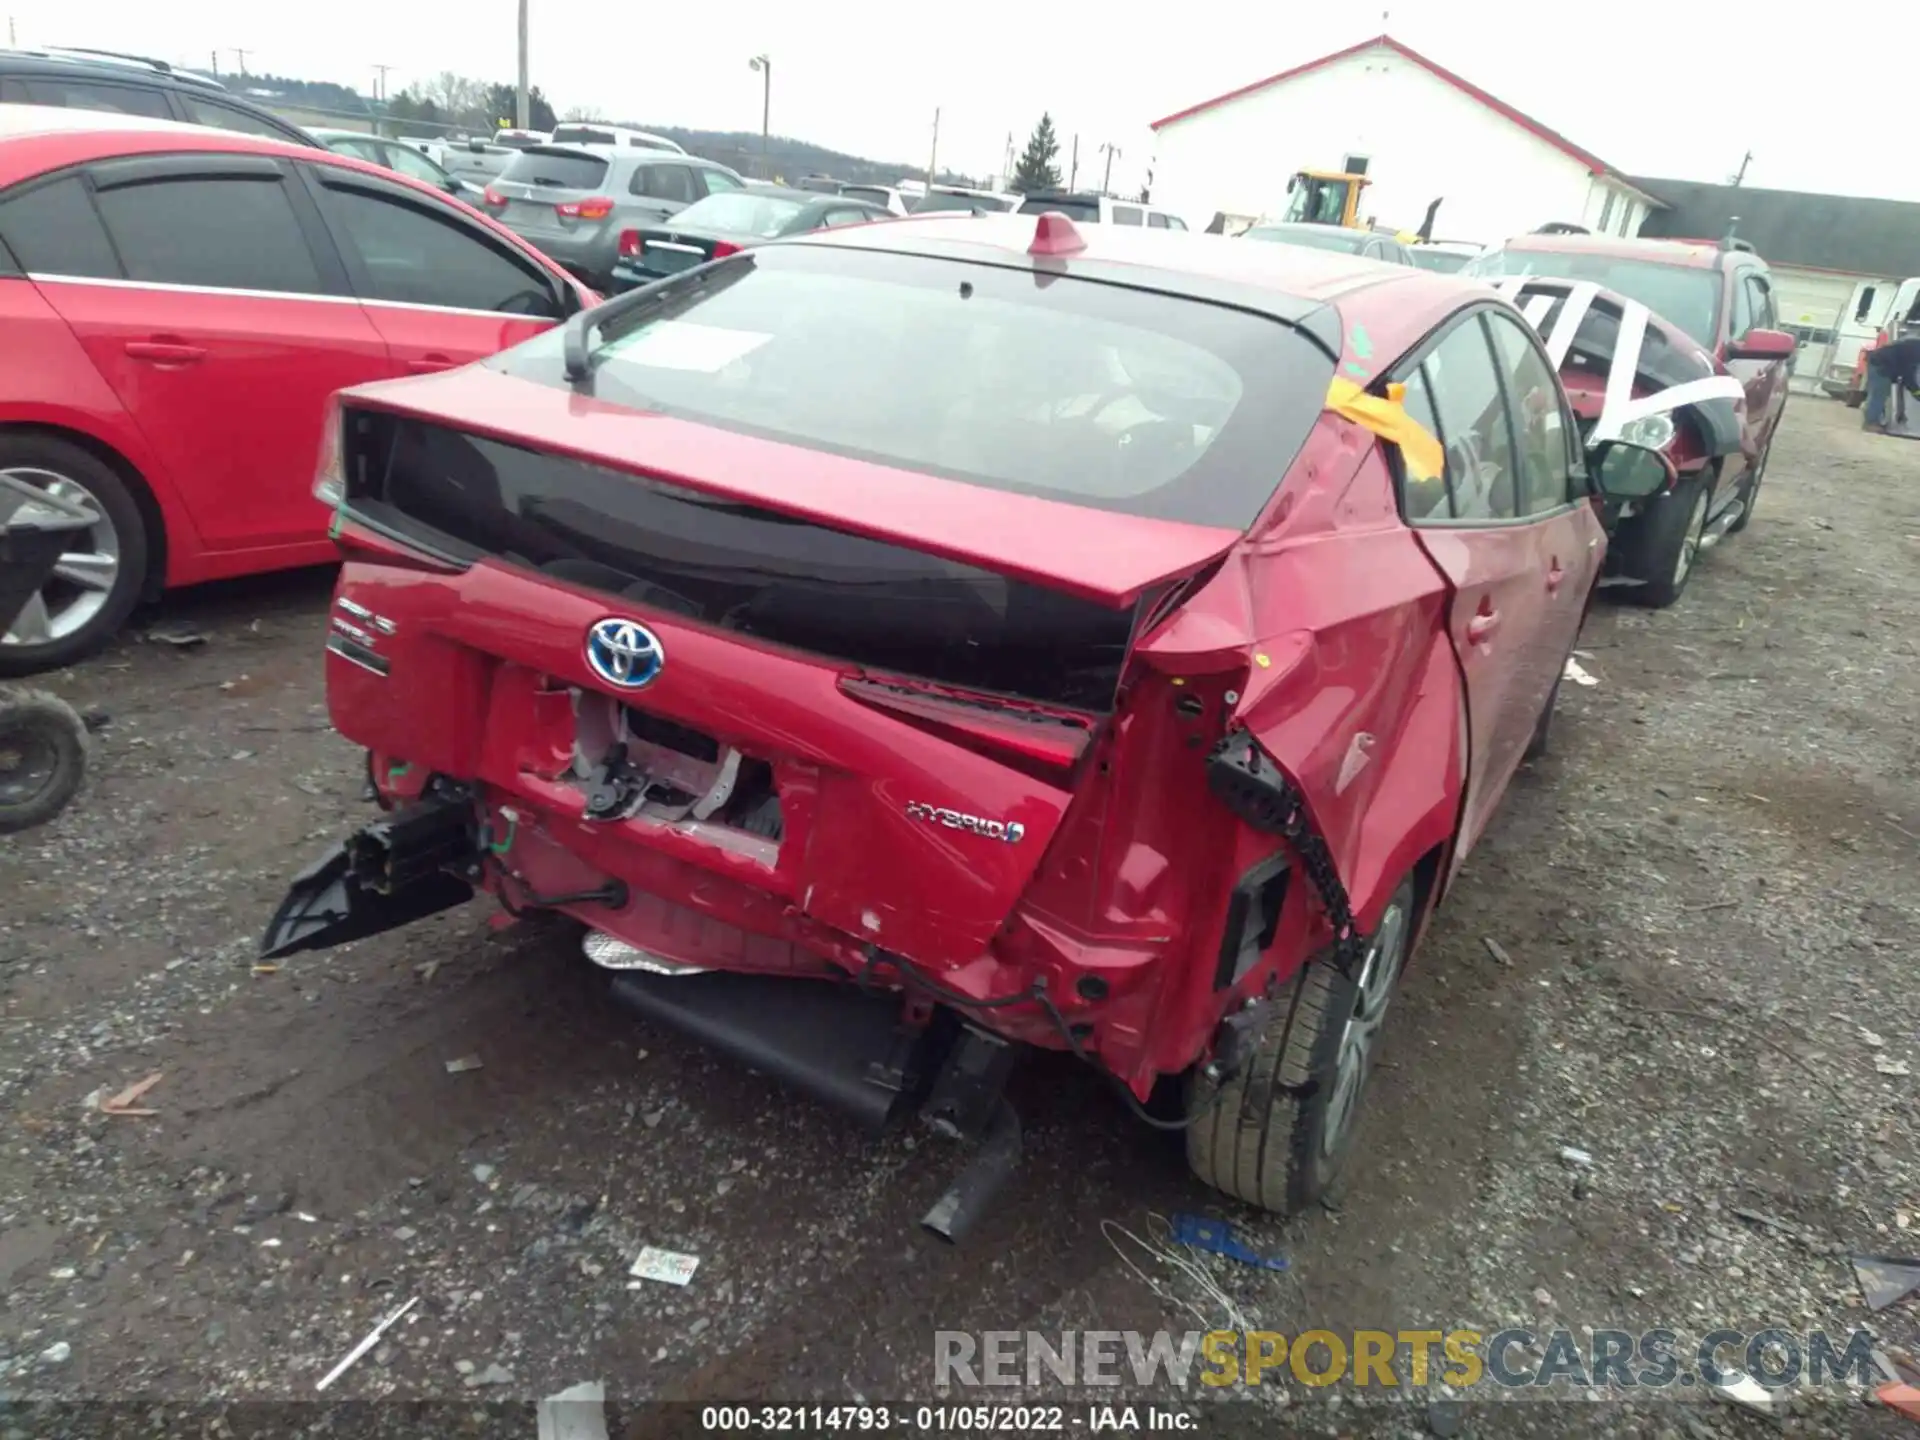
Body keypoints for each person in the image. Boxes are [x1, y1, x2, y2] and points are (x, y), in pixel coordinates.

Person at [1863, 334, 1920, 433]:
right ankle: (1871, 423)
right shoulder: (1916, 350)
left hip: (1882, 362)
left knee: (1881, 394)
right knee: (1879, 394)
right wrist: (1917, 393)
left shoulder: (1915, 346)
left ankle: (1875, 421)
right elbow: (1909, 376)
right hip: (1880, 364)